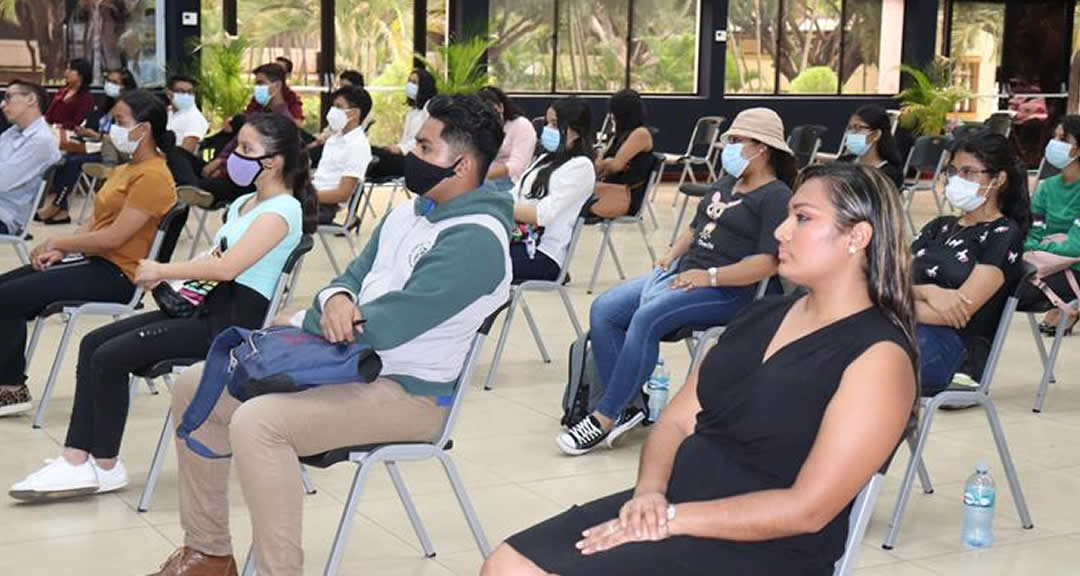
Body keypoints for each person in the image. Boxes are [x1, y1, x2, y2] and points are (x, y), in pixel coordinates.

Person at [481, 162, 918, 576]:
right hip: (674, 506)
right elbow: (674, 423)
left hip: (764, 545)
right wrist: (650, 493)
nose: (781, 231)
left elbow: (808, 509)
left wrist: (672, 519)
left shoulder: (880, 358)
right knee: (508, 563)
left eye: (802, 218)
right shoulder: (762, 316)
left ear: (857, 236)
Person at [145, 94, 510, 576]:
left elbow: (386, 327)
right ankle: (208, 552)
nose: (409, 155)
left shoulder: (477, 238)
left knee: (260, 423)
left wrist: (306, 319)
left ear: (461, 164)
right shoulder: (409, 212)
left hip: (411, 394)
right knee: (197, 385)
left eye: (424, 147)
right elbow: (348, 279)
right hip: (346, 364)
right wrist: (336, 300)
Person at [8, 113, 315, 501]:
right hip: (205, 309)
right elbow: (216, 259)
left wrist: (162, 268)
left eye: (246, 150)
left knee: (110, 357)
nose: (235, 156)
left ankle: (103, 465)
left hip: (230, 327)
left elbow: (228, 267)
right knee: (93, 344)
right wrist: (174, 280)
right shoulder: (243, 203)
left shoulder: (283, 210)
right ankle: (75, 460)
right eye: (237, 146)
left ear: (273, 161)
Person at [560, 108, 797, 456]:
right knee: (605, 309)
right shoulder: (727, 181)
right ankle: (627, 406)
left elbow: (768, 263)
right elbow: (696, 226)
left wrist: (710, 277)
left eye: (736, 141)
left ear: (762, 148)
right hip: (685, 274)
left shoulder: (775, 196)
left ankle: (605, 416)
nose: (727, 147)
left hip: (729, 289)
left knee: (647, 316)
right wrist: (671, 255)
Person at [0, 89, 177, 416]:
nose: (112, 129)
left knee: (7, 298)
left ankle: (11, 387)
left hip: (117, 275)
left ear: (144, 129)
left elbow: (113, 238)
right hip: (95, 261)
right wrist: (63, 251)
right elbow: (97, 222)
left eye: (121, 121)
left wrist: (58, 243)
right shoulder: (128, 167)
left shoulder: (154, 176)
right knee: (4, 290)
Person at [912, 133, 1030, 398]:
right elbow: (889, 281)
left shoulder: (1003, 234)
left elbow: (956, 313)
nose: (956, 180)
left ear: (998, 179)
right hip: (908, 328)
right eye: (953, 171)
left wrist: (885, 304)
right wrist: (928, 292)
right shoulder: (938, 227)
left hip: (950, 352)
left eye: (968, 172)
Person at [37, 67, 138, 224]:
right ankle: (61, 210)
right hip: (94, 146)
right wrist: (85, 132)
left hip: (115, 154)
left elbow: (124, 139)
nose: (109, 85)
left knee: (71, 163)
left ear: (125, 86)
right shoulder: (107, 105)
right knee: (63, 159)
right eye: (108, 81)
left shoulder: (130, 109)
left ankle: (58, 205)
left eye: (114, 82)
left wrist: (96, 135)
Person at [510, 97, 595, 282]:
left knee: (475, 265)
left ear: (577, 131)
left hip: (543, 254)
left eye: (555, 124)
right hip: (519, 239)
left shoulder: (581, 166)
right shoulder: (545, 158)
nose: (548, 129)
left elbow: (543, 215)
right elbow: (514, 195)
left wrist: (498, 206)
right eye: (547, 123)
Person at [195, 64, 298, 207]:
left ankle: (201, 192)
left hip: (253, 182)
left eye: (261, 83)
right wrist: (220, 161)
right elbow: (236, 143)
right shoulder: (259, 114)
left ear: (277, 86)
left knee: (199, 185)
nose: (257, 89)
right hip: (235, 173)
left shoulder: (281, 121)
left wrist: (222, 165)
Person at [1020, 115, 1080, 336]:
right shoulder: (1046, 188)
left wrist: (1040, 248)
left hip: (1075, 267)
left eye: (1063, 138)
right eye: (1054, 136)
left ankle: (1067, 305)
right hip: (1045, 264)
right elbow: (1033, 231)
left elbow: (1076, 248)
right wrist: (1037, 247)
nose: (1054, 143)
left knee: (1017, 292)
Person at [0, 80, 61, 236]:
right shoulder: (14, 131)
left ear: (30, 99)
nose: (2, 105)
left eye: (8, 97)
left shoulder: (41, 140)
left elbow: (3, 181)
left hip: (6, 215)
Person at [585, 89, 654, 219]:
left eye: (613, 113)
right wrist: (608, 162)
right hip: (608, 188)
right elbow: (599, 164)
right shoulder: (618, 135)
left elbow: (614, 166)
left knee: (571, 201)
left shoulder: (640, 134)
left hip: (624, 195)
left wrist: (609, 163)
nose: (611, 117)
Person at [312, 86, 373, 224]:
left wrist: (306, 196)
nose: (333, 111)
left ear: (354, 114)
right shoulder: (335, 139)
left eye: (339, 107)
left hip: (325, 206)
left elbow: (342, 194)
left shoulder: (358, 145)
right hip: (313, 196)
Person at [368, 67, 438, 179]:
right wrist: (397, 148)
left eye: (414, 82)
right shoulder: (412, 113)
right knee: (372, 152)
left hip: (415, 161)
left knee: (373, 154)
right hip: (404, 157)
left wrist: (400, 149)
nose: (410, 85)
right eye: (409, 81)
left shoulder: (429, 108)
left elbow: (426, 140)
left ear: (424, 87)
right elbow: (406, 141)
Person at [479, 86, 537, 193]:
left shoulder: (521, 125)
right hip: (484, 178)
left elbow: (516, 166)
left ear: (501, 107)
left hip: (510, 180)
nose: (490, 115)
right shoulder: (482, 125)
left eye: (493, 110)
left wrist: (481, 177)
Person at [841, 104, 905, 188]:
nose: (850, 133)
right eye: (849, 128)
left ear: (875, 134)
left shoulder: (889, 175)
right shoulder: (844, 162)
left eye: (857, 127)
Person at [44, 58, 95, 130]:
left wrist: (60, 126)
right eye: (67, 69)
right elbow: (49, 114)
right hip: (51, 130)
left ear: (81, 74)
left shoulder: (86, 98)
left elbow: (78, 123)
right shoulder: (62, 91)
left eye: (70, 70)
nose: (66, 72)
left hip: (68, 134)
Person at [166, 74, 209, 155]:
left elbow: (185, 153)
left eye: (190, 92)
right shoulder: (168, 112)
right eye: (181, 91)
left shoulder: (194, 117)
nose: (186, 95)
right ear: (169, 93)